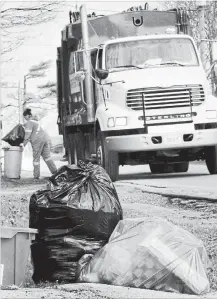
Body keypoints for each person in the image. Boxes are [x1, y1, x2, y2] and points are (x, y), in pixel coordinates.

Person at [20, 108, 57, 179]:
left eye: (25, 117)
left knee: (36, 159)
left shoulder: (29, 122)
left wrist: (23, 144)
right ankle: (55, 172)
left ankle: (36, 176)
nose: (25, 118)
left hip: (37, 141)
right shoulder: (36, 122)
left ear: (28, 116)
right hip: (45, 139)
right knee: (47, 157)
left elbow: (27, 134)